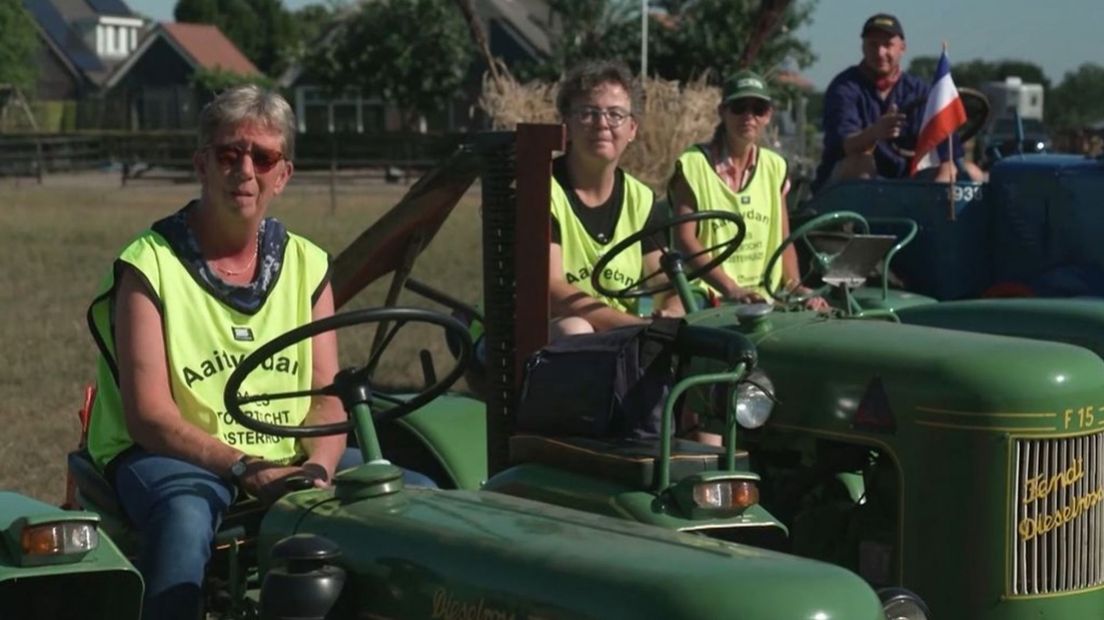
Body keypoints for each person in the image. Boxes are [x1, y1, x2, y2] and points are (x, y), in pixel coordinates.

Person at [84, 85, 420, 620]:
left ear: (282, 175)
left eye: (262, 156)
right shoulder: (149, 265)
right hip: (173, 458)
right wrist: (244, 467)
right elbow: (149, 417)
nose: (245, 169)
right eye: (228, 153)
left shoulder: (308, 265)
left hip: (288, 457)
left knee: (416, 498)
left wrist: (318, 473)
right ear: (202, 164)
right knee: (186, 517)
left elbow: (328, 399)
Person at [668, 69, 828, 310]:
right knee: (674, 313)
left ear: (768, 115)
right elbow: (685, 239)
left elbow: (783, 239)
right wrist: (731, 289)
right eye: (739, 107)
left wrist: (795, 287)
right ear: (722, 111)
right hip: (706, 295)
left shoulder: (775, 167)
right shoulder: (693, 165)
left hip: (763, 297)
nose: (749, 116)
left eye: (758, 109)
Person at [549, 60, 681, 338]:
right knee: (576, 329)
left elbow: (664, 284)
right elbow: (551, 289)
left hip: (619, 338)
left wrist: (671, 310)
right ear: (567, 125)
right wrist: (631, 326)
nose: (602, 124)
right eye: (587, 113)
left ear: (632, 128)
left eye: (615, 114)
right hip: (517, 340)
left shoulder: (642, 201)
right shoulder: (541, 191)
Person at [813, 13, 984, 191]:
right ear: (863, 47)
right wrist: (875, 132)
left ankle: (942, 217)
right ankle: (862, 219)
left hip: (908, 180)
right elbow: (845, 145)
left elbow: (947, 149)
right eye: (873, 44)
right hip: (847, 186)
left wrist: (946, 170)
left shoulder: (920, 90)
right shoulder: (845, 88)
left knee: (967, 172)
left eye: (887, 45)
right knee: (861, 164)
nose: (880, 53)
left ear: (902, 48)